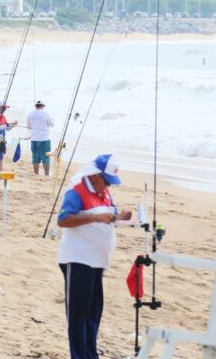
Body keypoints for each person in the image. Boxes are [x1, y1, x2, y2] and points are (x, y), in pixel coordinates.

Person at [57, 154, 132, 359]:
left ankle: (90, 354)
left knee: (94, 311)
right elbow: (63, 219)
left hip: (98, 260)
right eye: (107, 181)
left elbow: (110, 216)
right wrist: (95, 217)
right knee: (78, 314)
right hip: (78, 258)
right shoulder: (77, 191)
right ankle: (79, 355)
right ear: (95, 175)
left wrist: (120, 217)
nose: (108, 186)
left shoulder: (105, 193)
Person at [27, 100, 55, 176]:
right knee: (46, 157)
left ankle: (36, 174)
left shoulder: (30, 114)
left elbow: (28, 127)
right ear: (42, 106)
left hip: (34, 139)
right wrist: (51, 119)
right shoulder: (46, 114)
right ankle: (46, 175)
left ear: (36, 106)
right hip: (44, 139)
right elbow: (52, 124)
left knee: (35, 157)